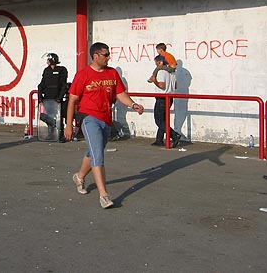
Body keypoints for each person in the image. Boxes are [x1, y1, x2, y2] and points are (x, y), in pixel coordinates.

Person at [64, 42, 144, 209]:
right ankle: (104, 195)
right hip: (88, 118)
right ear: (95, 56)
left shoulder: (112, 73)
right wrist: (69, 125)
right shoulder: (83, 74)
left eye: (108, 54)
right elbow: (72, 100)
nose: (108, 57)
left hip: (105, 119)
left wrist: (133, 105)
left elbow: (120, 93)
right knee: (98, 154)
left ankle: (79, 177)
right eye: (105, 55)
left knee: (93, 151)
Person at [149, 55, 182, 147]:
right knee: (163, 120)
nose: (156, 65)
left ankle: (174, 135)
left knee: (158, 120)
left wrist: (154, 81)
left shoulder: (161, 72)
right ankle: (159, 140)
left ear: (160, 62)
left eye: (156, 62)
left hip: (162, 98)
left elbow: (162, 86)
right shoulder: (172, 72)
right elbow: (175, 86)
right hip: (170, 98)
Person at [37, 53, 68, 136]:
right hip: (47, 97)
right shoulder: (46, 70)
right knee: (45, 116)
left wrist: (60, 97)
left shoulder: (61, 70)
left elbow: (64, 85)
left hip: (57, 98)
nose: (47, 62)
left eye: (48, 60)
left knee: (59, 117)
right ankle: (51, 133)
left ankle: (60, 135)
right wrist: (40, 97)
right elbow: (41, 84)